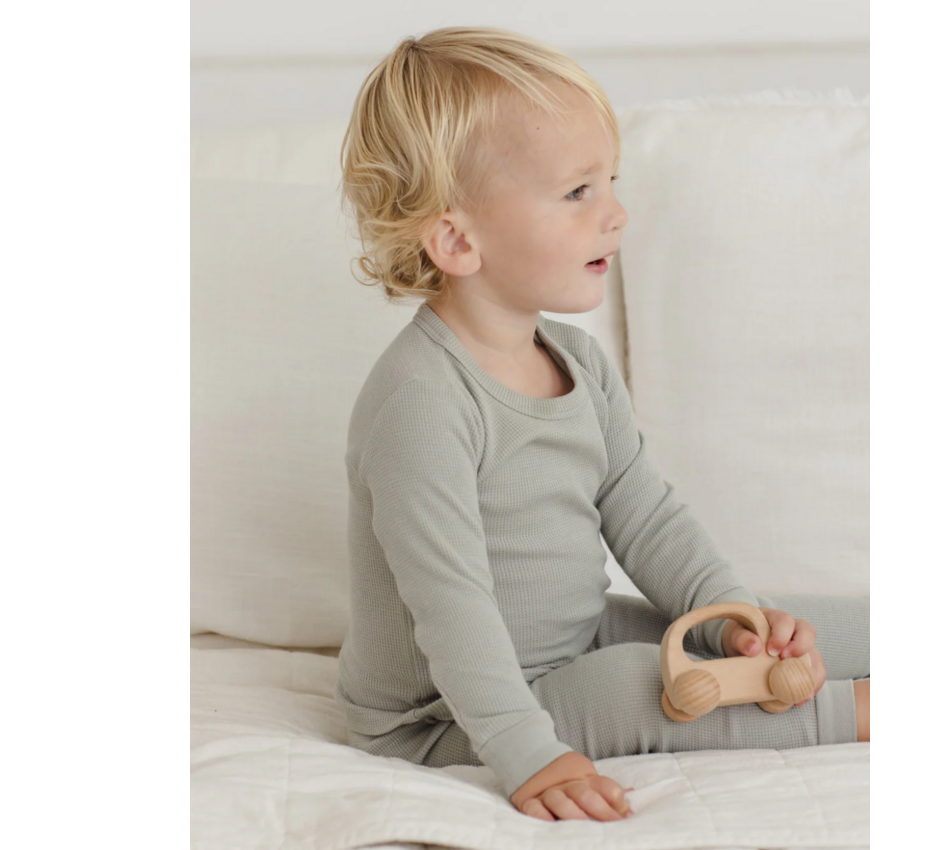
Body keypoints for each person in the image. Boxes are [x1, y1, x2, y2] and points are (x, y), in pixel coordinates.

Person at [332, 26, 870, 823]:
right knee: (640, 685)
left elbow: (646, 515)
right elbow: (452, 609)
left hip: (573, 636)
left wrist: (733, 620)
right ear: (457, 240)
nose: (616, 213)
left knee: (801, 621)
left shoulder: (577, 360)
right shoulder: (419, 402)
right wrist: (527, 751)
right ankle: (850, 712)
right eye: (578, 192)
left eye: (610, 182)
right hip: (452, 713)